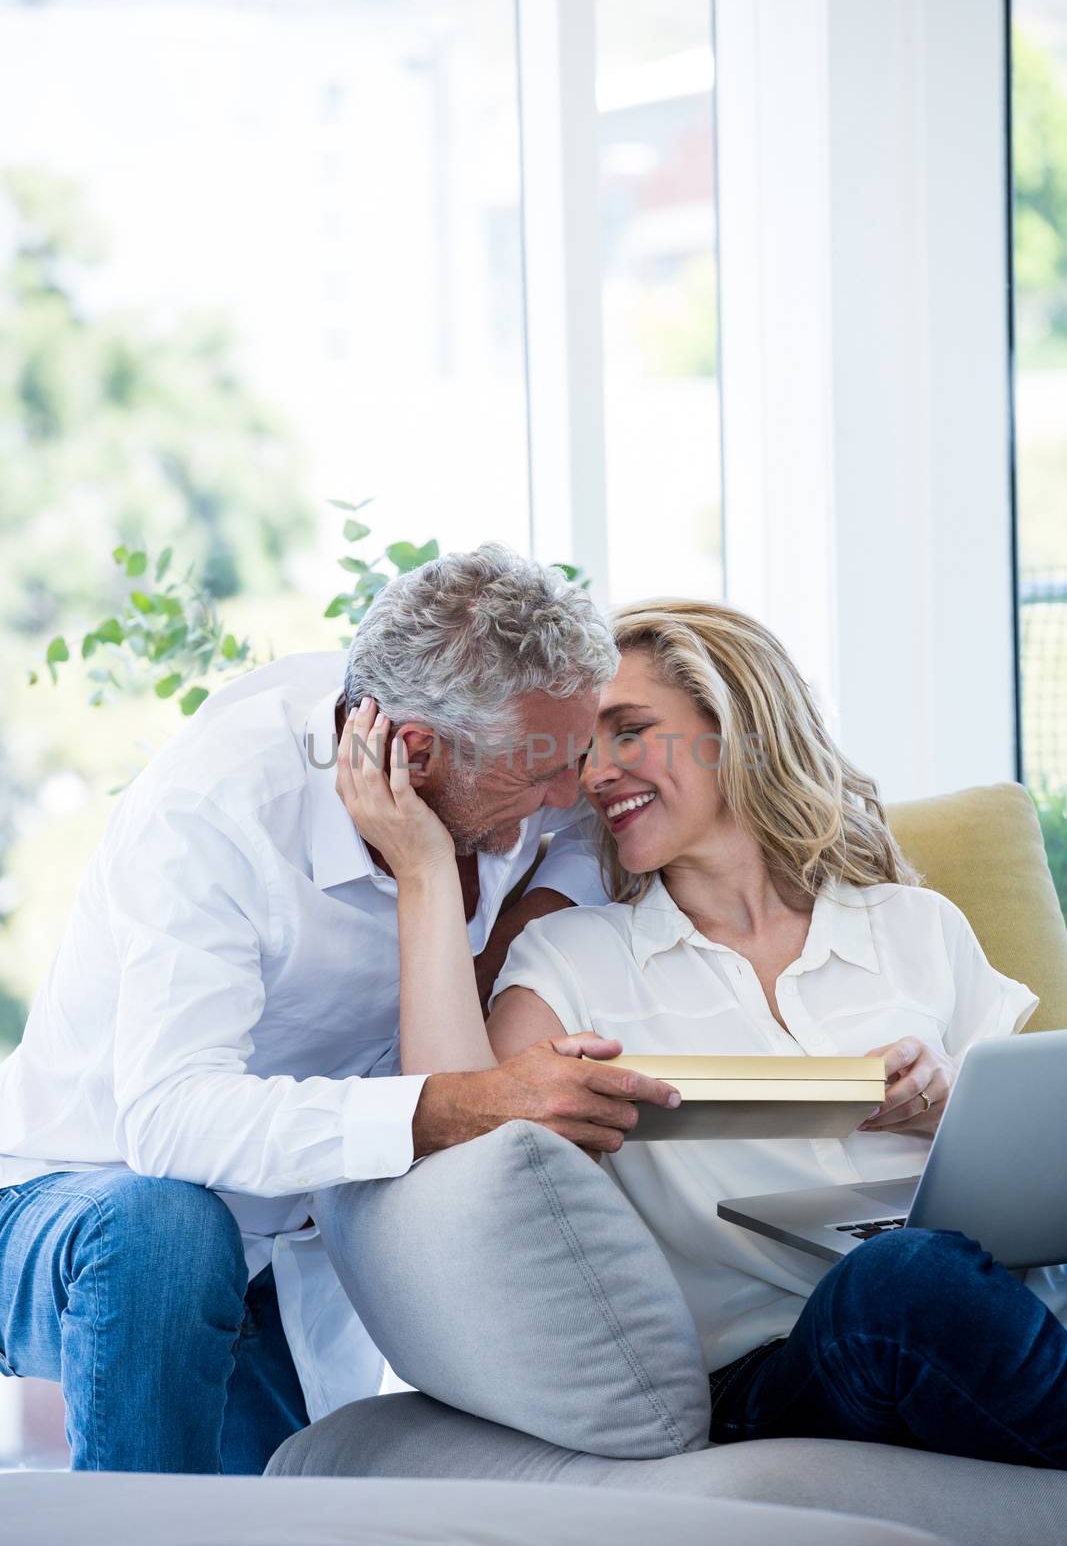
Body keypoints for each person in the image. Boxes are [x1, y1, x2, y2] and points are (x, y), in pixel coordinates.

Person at [340, 597, 1067, 1470]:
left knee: (924, 1269)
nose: (593, 776)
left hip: (1006, 1313)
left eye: (629, 731)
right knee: (901, 1280)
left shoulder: (915, 925)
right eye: (580, 751)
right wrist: (422, 867)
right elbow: (451, 1150)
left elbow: (1038, 1150)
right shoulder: (574, 957)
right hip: (787, 1361)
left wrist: (939, 1107)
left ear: (736, 727)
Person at [0, 545, 681, 1475]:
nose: (574, 797)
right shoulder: (218, 812)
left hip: (276, 1261)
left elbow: (580, 825)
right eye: (543, 776)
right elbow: (166, 1122)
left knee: (284, 1508)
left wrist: (506, 920)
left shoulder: (507, 741)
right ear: (411, 754)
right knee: (163, 1227)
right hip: (75, 1205)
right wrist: (457, 1101)